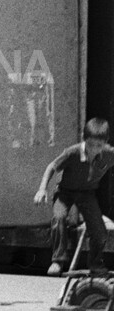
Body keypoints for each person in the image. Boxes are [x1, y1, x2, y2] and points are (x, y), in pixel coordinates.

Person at [35, 117, 112, 276]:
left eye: (99, 146)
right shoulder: (72, 152)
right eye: (90, 145)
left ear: (105, 143)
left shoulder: (108, 154)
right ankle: (58, 260)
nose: (94, 149)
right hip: (65, 193)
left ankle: (95, 264)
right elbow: (51, 167)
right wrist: (42, 189)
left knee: (100, 232)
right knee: (59, 218)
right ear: (84, 140)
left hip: (87, 194)